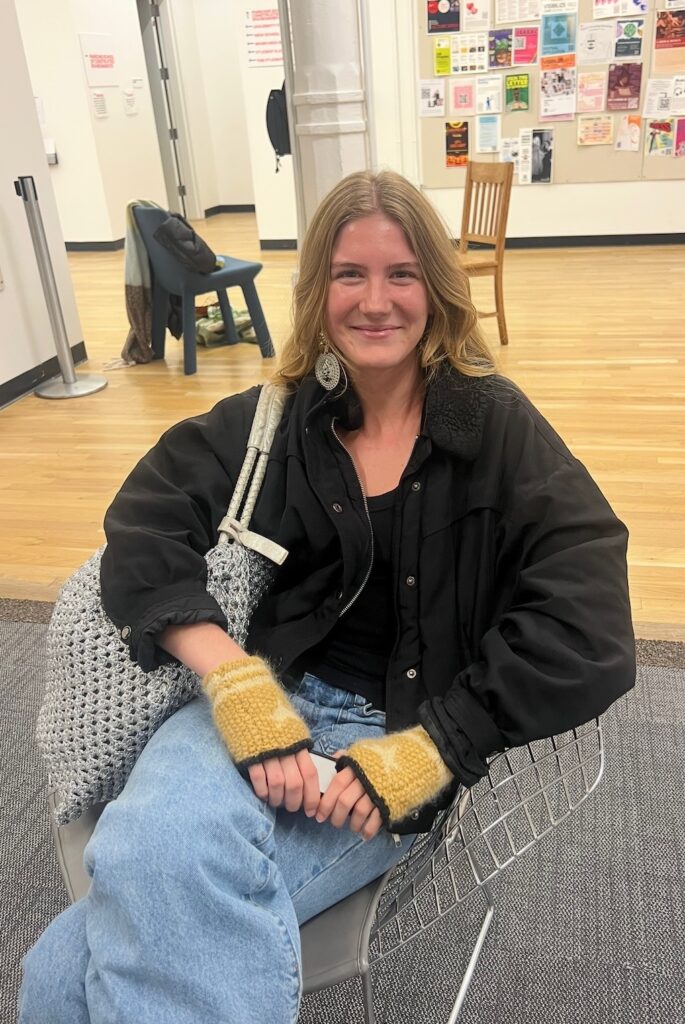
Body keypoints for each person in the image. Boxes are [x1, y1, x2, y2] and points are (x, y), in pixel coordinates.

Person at [20, 170, 636, 1024]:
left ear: (435, 289)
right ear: (318, 290)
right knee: (141, 863)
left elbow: (587, 617)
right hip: (260, 700)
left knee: (67, 960)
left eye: (400, 274)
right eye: (350, 274)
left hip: (394, 740)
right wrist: (234, 683)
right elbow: (146, 521)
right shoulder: (281, 417)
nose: (374, 301)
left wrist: (438, 748)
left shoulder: (492, 426)